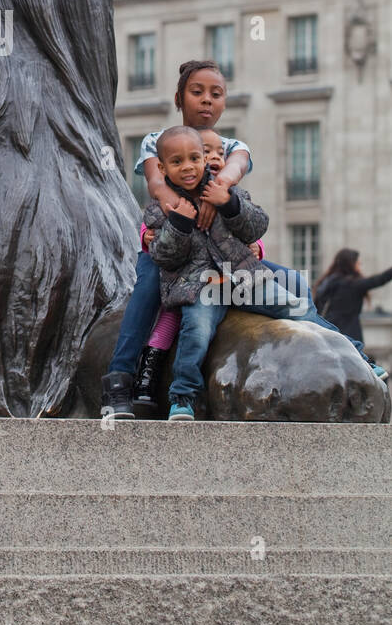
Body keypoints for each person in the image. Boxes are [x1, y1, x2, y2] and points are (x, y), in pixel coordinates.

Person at [100, 58, 344, 420]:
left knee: (293, 282)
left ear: (226, 102)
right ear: (179, 98)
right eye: (196, 93)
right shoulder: (157, 141)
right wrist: (187, 208)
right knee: (148, 286)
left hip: (223, 258)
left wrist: (221, 192)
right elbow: (155, 185)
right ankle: (121, 378)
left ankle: (340, 345)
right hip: (175, 248)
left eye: (216, 94)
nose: (206, 100)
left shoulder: (232, 145)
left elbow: (235, 170)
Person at [145, 127, 385, 422]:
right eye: (177, 161)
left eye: (195, 158)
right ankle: (183, 397)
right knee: (196, 333)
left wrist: (229, 204)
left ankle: (359, 356)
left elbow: (257, 225)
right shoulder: (162, 209)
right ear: (162, 167)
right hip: (199, 288)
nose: (187, 167)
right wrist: (179, 224)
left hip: (242, 279)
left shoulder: (229, 191)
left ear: (205, 160)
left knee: (298, 309)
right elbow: (163, 257)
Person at [132, 128, 265, 415]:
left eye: (218, 154)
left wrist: (257, 246)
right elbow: (153, 226)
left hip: (230, 273)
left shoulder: (225, 187)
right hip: (186, 279)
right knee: (169, 317)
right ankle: (147, 374)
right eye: (206, 152)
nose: (212, 157)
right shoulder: (166, 177)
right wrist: (149, 234)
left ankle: (352, 348)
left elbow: (247, 228)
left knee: (294, 293)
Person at [315, 249, 392, 342]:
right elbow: (379, 280)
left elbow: (317, 307)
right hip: (350, 335)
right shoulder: (352, 284)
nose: (360, 265)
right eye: (358, 263)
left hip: (329, 332)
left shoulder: (328, 281)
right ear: (351, 264)